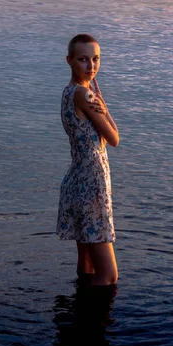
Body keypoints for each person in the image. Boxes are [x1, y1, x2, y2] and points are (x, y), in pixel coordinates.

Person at [57, 34, 119, 286]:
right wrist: (102, 103)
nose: (91, 66)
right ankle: (93, 323)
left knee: (87, 265)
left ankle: (78, 315)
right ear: (69, 61)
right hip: (93, 183)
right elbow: (114, 138)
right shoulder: (85, 95)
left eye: (95, 59)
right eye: (83, 59)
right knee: (108, 276)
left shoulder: (68, 92)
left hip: (77, 179)